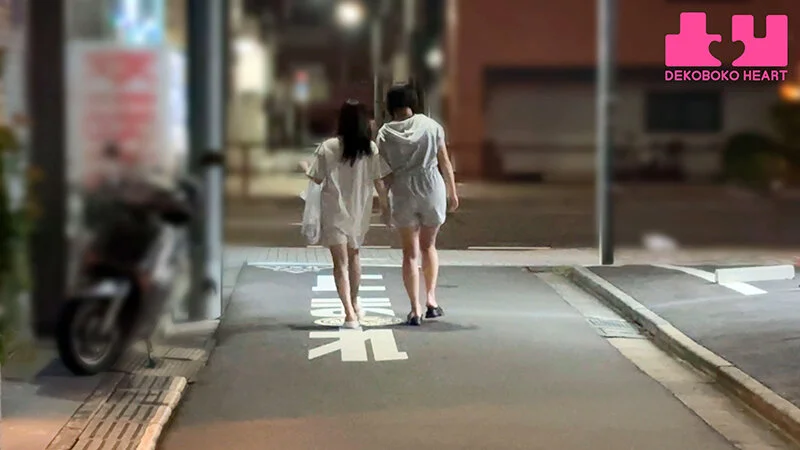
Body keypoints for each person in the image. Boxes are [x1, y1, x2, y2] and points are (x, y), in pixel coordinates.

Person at [300, 100, 392, 329]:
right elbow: (379, 181)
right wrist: (385, 208)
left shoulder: (328, 147)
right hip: (359, 211)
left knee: (340, 264)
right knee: (355, 257)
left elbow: (316, 178)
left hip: (334, 211)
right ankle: (355, 303)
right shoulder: (370, 149)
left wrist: (304, 167)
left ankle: (349, 314)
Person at [376, 84, 459, 326]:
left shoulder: (385, 133)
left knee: (409, 253)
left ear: (390, 105)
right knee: (429, 246)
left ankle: (415, 309)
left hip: (402, 190)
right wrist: (452, 192)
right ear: (413, 102)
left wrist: (384, 202)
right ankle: (431, 300)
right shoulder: (431, 126)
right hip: (431, 186)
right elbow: (444, 162)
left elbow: (383, 173)